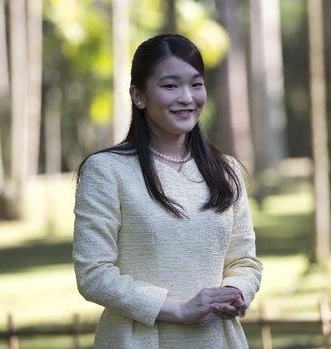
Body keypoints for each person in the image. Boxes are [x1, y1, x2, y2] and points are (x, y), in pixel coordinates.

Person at [73, 33, 262, 349]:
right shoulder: (106, 171)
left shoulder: (226, 171)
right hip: (138, 341)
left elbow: (244, 262)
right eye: (170, 86)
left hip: (217, 339)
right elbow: (93, 274)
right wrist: (181, 309)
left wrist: (237, 292)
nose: (187, 97)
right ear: (138, 96)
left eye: (196, 84)